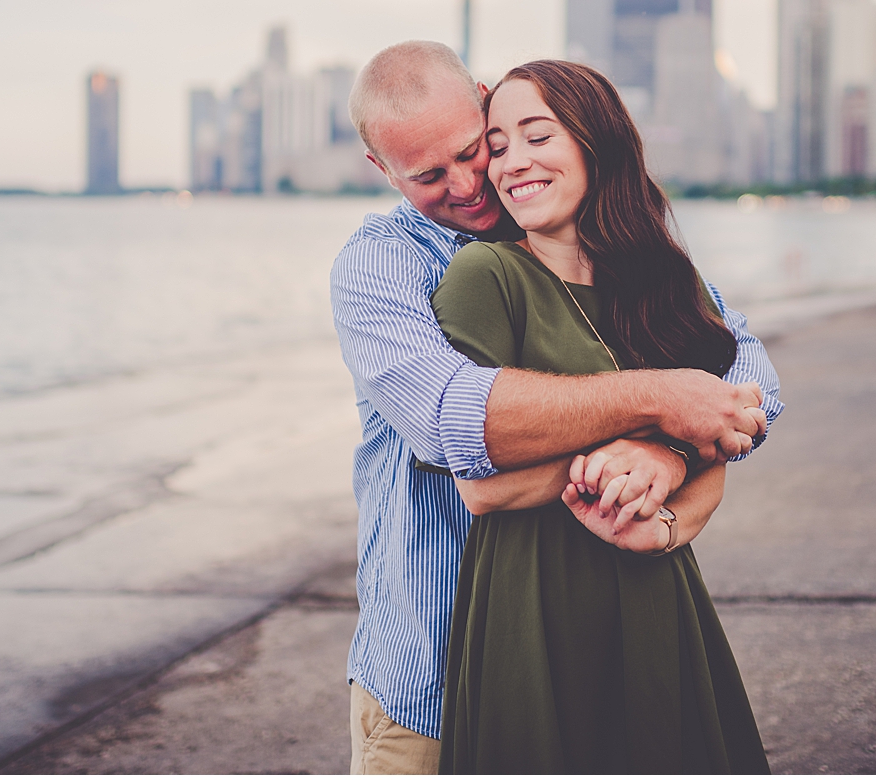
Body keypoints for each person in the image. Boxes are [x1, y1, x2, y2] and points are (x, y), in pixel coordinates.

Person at [330, 41, 783, 774]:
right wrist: (663, 406)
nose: (471, 182)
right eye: (427, 175)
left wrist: (666, 454)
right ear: (382, 170)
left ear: (486, 103)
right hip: (426, 674)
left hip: (598, 644)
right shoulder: (380, 265)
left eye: (475, 149)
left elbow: (748, 376)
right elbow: (458, 427)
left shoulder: (585, 241)